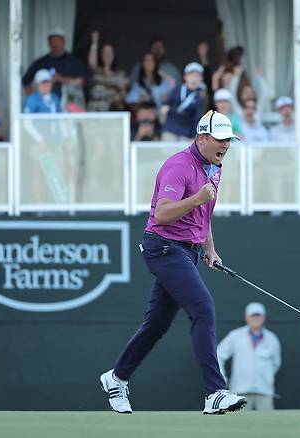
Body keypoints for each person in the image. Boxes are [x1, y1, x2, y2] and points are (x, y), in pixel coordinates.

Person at [99, 110, 247, 415]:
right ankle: (215, 392)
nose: (226, 146)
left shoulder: (213, 167)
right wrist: (196, 199)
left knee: (157, 324)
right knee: (203, 309)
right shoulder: (178, 165)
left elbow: (202, 216)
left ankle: (116, 378)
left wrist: (210, 248)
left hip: (188, 251)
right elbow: (162, 214)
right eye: (220, 140)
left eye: (228, 140)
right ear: (202, 138)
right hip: (163, 247)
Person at [217, 302, 281, 411]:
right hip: (239, 391)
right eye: (252, 315)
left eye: (258, 315)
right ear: (246, 317)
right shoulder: (235, 335)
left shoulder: (272, 338)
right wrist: (222, 377)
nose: (255, 318)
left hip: (264, 391)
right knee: (239, 426)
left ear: (263, 318)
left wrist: (266, 376)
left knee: (268, 425)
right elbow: (218, 354)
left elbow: (276, 363)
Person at [21, 27, 88, 97]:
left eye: (58, 41)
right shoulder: (41, 62)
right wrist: (34, 100)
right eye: (52, 41)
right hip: (47, 104)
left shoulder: (73, 61)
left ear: (64, 42)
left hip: (70, 103)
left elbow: (82, 81)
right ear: (49, 43)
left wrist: (61, 79)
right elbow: (25, 81)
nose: (55, 44)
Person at [160, 62, 206, 142]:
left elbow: (197, 119)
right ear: (185, 76)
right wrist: (164, 108)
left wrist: (194, 136)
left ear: (201, 79)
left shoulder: (200, 96)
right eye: (191, 75)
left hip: (186, 133)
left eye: (197, 76)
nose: (194, 78)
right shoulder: (177, 89)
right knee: (168, 153)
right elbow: (166, 104)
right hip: (170, 128)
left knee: (183, 154)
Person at [87, 31, 128, 112]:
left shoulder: (121, 75)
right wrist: (94, 42)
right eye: (104, 52)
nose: (107, 55)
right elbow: (91, 63)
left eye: (110, 52)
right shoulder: (96, 73)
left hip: (112, 115)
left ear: (114, 55)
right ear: (101, 55)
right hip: (93, 113)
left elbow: (124, 96)